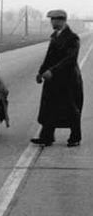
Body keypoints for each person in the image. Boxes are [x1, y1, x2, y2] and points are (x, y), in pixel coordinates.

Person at [31, 10, 83, 147]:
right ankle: (46, 137)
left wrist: (52, 71)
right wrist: (41, 72)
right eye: (51, 20)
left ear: (62, 20)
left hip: (68, 79)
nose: (51, 22)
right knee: (49, 107)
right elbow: (49, 57)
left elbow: (70, 59)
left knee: (71, 108)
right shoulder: (54, 36)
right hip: (52, 78)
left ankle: (75, 137)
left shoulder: (72, 38)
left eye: (54, 20)